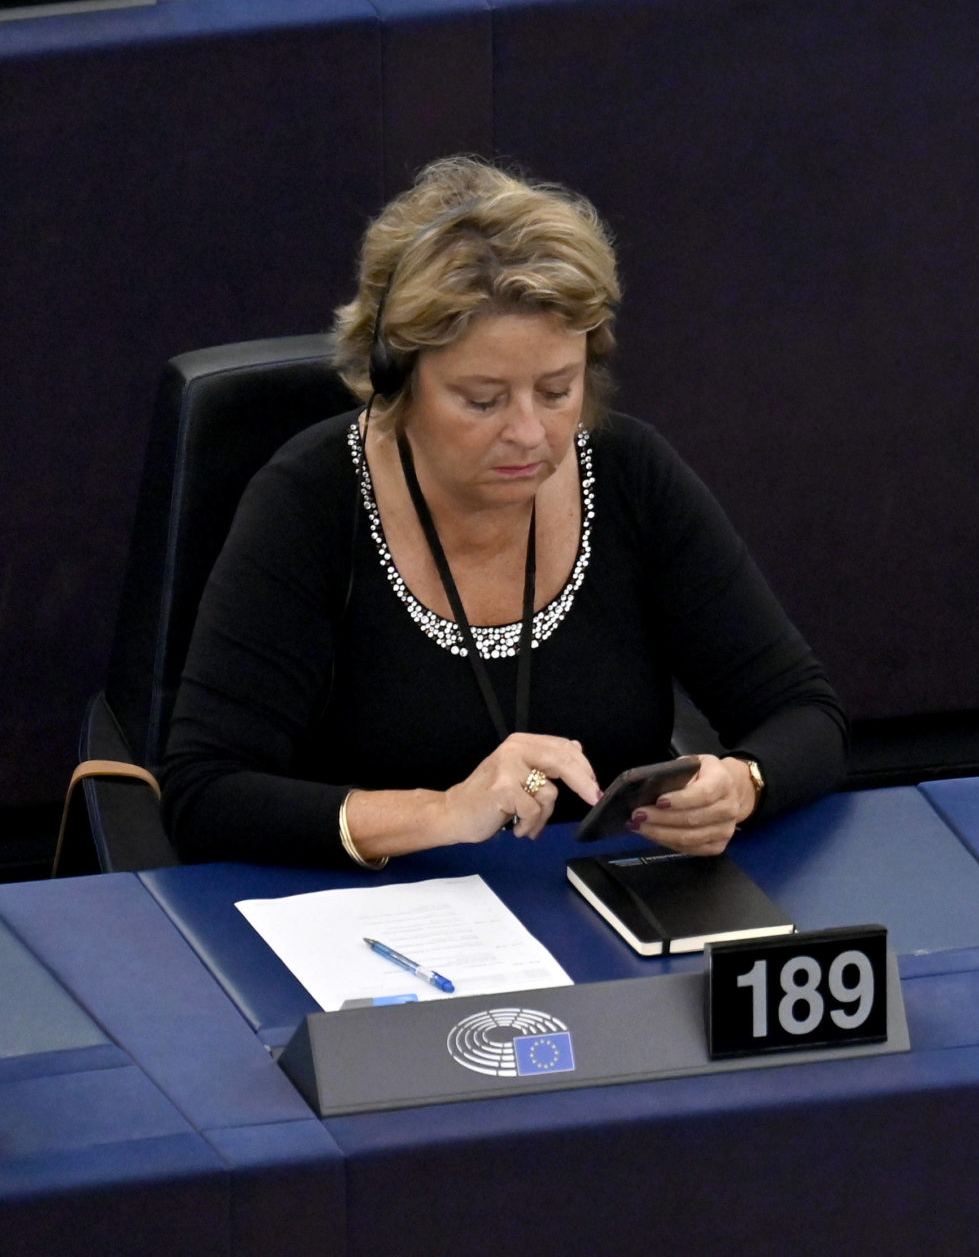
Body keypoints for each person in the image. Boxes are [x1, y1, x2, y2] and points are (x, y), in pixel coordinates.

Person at [162, 157, 846, 866]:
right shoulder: (310, 500)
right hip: (375, 929)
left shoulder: (626, 473)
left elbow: (805, 713)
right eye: (483, 401)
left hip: (606, 913)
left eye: (557, 390)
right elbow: (205, 796)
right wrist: (443, 812)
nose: (528, 432)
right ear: (395, 377)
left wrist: (740, 784)